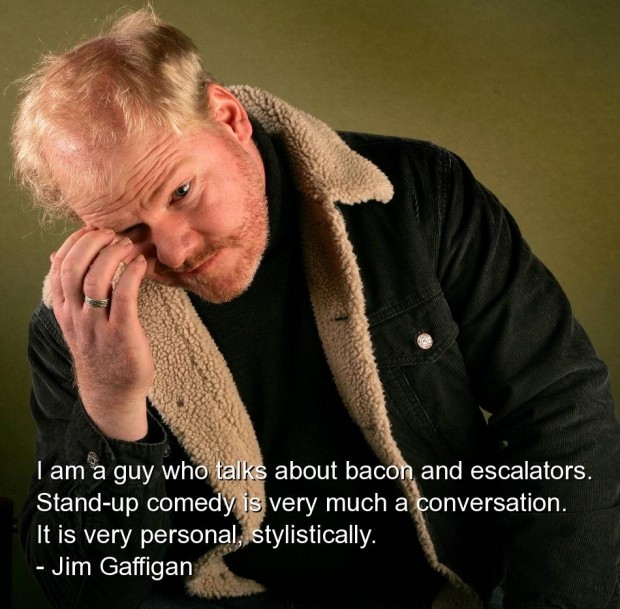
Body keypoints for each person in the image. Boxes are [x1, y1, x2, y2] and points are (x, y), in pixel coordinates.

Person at [12, 8, 619, 609]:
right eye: (128, 229)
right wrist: (110, 404)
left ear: (228, 117)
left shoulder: (417, 196)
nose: (173, 250)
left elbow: (557, 407)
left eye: (182, 191)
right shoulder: (79, 327)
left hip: (453, 583)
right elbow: (83, 591)